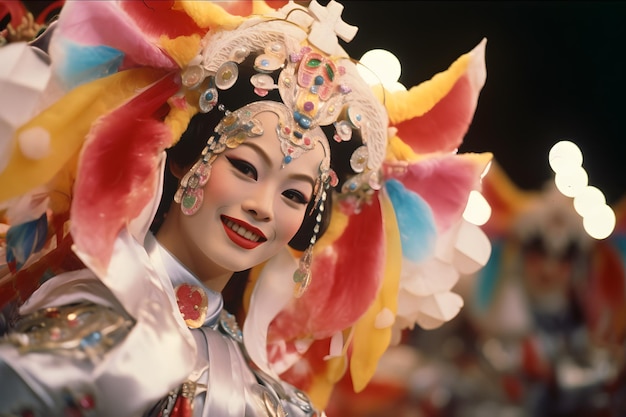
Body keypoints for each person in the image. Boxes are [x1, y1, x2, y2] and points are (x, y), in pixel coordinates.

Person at [0, 1, 493, 416]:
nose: (262, 207)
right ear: (183, 158)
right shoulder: (92, 326)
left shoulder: (277, 399)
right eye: (245, 167)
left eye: (295, 195)